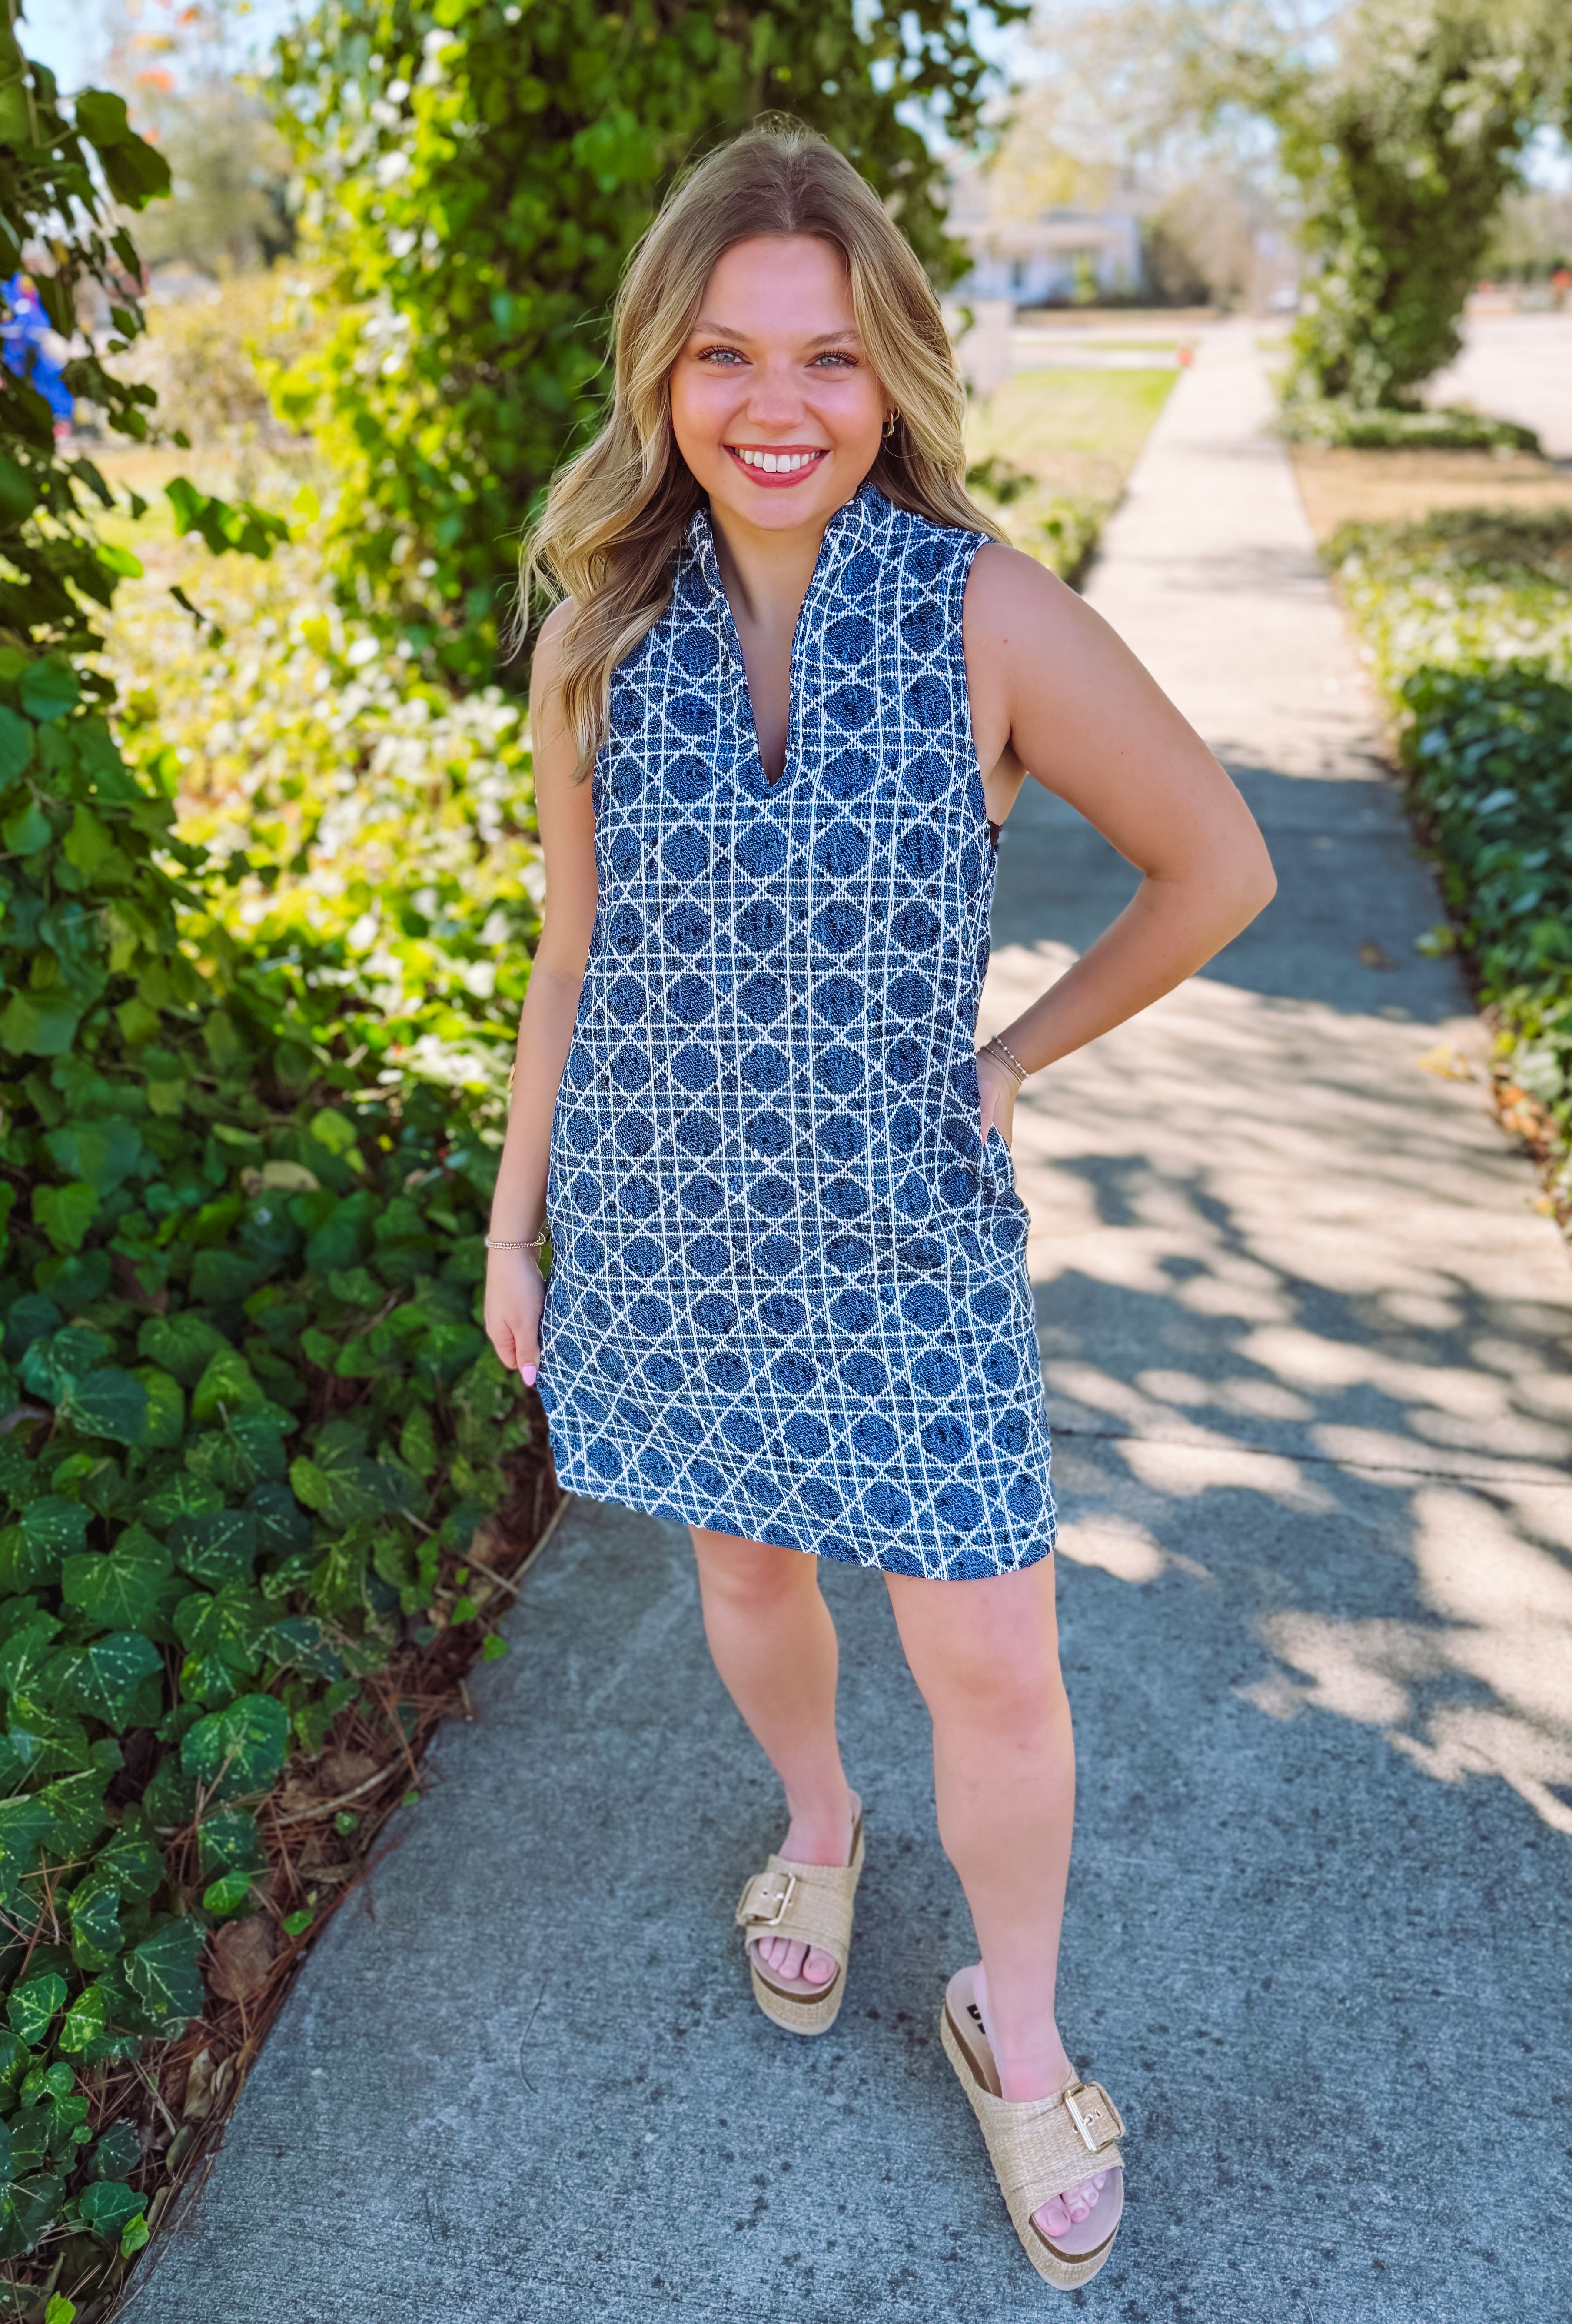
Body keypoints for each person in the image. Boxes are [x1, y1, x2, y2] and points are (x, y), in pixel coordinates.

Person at [484, 122, 1274, 2291]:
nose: (774, 405)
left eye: (826, 357)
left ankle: (1016, 2031)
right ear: (660, 371)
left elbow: (1213, 865)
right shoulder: (593, 633)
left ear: (892, 373)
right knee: (746, 1584)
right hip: (665, 1225)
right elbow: (574, 945)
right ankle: (816, 1826)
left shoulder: (982, 612)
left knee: (995, 1657)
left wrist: (1014, 1056)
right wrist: (513, 1215)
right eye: (726, 354)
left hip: (905, 1253)